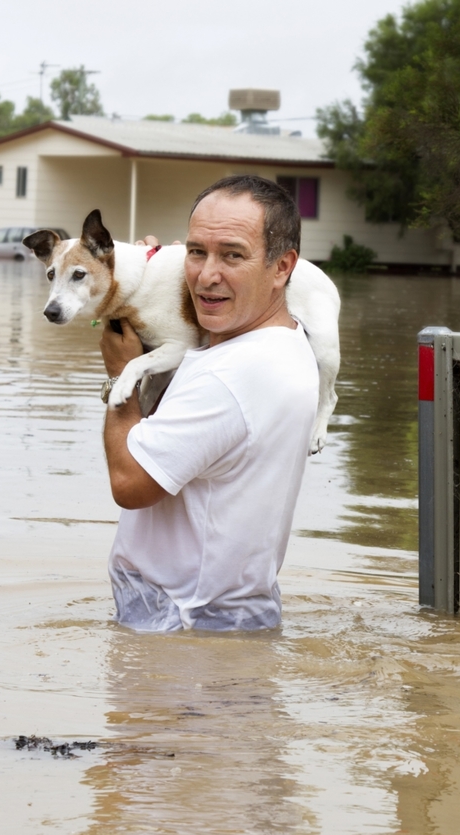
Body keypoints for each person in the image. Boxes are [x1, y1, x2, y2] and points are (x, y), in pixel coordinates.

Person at [99, 175, 319, 632]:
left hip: (182, 629)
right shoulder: (287, 342)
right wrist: (151, 293)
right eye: (196, 251)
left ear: (282, 267)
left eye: (232, 255)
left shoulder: (229, 375)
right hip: (236, 615)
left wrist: (119, 379)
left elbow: (130, 482)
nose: (206, 274)